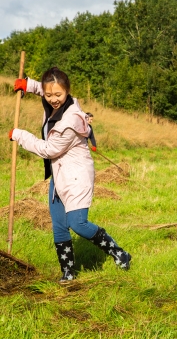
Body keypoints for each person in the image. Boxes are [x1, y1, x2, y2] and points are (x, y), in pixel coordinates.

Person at [10, 68, 131, 282]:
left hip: (77, 176)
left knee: (78, 223)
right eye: (49, 95)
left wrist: (19, 135)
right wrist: (28, 86)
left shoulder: (71, 121)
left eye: (59, 95)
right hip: (59, 175)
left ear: (67, 92)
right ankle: (68, 273)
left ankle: (119, 252)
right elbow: (46, 87)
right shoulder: (54, 99)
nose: (53, 99)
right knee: (58, 225)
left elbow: (49, 149)